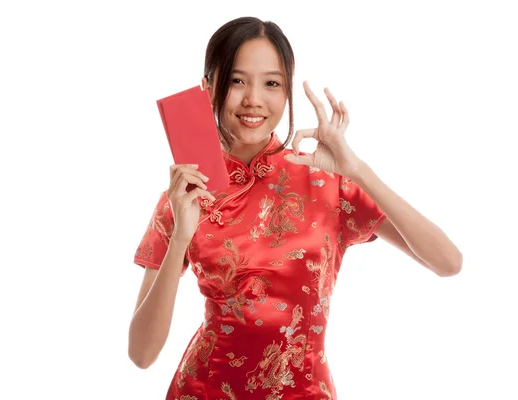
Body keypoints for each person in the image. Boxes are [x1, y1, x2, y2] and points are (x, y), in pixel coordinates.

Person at [128, 16, 462, 400]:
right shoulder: (185, 194)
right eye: (237, 80)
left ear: (287, 92)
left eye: (271, 83)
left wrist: (358, 171)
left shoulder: (324, 180)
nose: (254, 99)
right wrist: (180, 237)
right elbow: (141, 354)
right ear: (207, 88)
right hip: (204, 389)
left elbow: (448, 262)